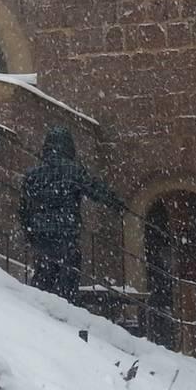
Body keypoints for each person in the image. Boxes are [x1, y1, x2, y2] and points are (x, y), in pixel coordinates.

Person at [19, 125, 122, 303]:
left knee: (44, 274)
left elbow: (24, 208)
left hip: (41, 233)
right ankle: (65, 307)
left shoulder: (32, 174)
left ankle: (39, 306)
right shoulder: (74, 171)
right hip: (66, 231)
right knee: (67, 277)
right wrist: (114, 201)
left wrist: (29, 230)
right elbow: (94, 189)